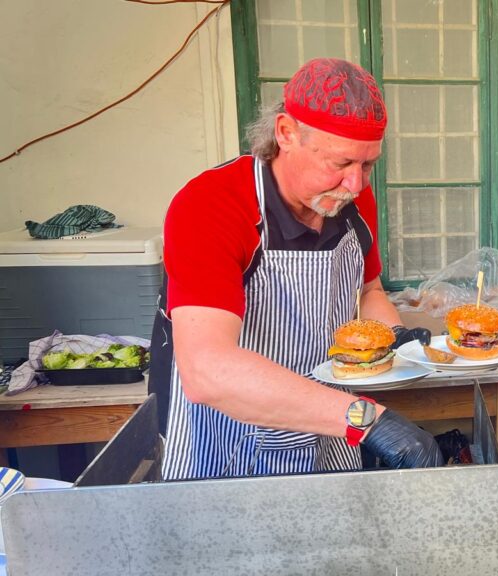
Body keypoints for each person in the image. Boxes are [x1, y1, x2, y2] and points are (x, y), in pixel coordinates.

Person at [149, 58, 444, 480]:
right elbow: (207, 370)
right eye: (340, 164)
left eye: (368, 165)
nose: (356, 184)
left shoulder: (353, 202)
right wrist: (368, 420)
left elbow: (368, 290)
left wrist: (393, 338)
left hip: (326, 424)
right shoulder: (212, 206)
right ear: (286, 133)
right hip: (228, 438)